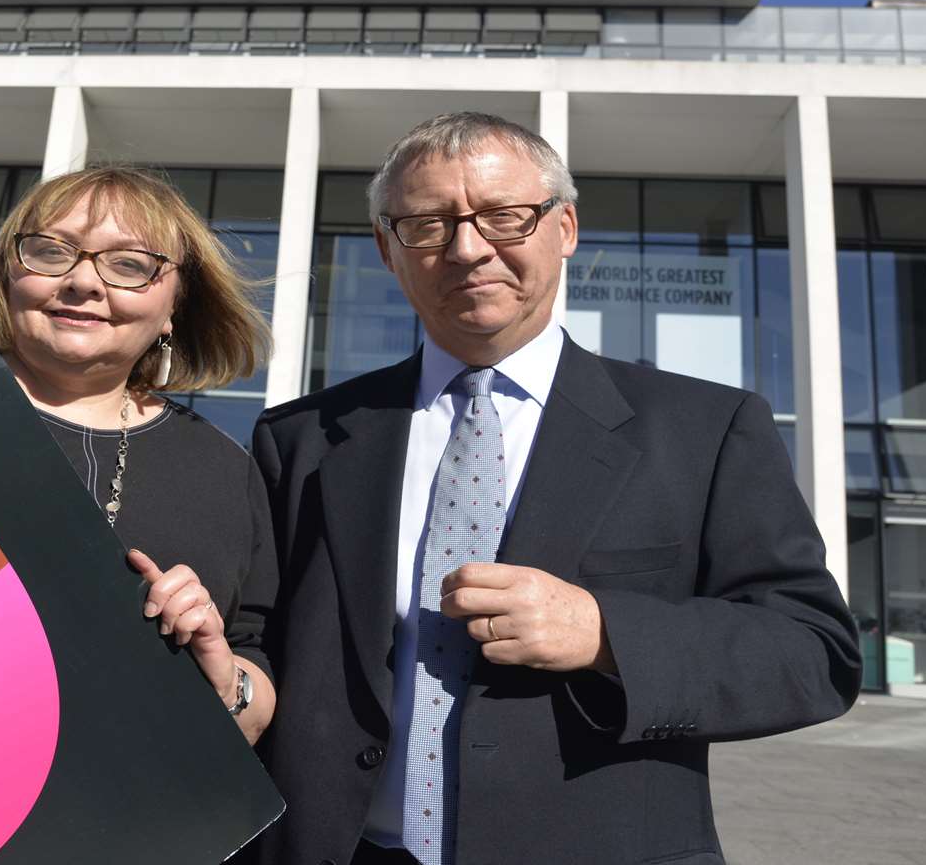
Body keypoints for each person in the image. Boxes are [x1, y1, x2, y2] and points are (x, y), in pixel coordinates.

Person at [249, 113, 860, 864]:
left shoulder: (705, 430)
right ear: (387, 248)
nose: (468, 249)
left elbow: (812, 654)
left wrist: (606, 634)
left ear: (564, 227)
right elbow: (265, 645)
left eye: (503, 217)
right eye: (428, 225)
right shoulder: (302, 439)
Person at [0, 164, 278, 742]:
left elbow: (256, 672)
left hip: (128, 814)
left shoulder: (225, 471)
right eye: (51, 251)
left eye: (129, 265)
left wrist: (226, 684)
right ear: (8, 275)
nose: (84, 282)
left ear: (173, 309)